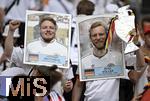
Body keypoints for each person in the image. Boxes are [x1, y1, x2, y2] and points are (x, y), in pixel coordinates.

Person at [72, 21, 145, 101]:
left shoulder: (117, 58)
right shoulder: (84, 60)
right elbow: (79, 85)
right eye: (94, 35)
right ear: (90, 38)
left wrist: (137, 43)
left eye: (101, 34)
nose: (98, 38)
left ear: (107, 35)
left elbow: (140, 66)